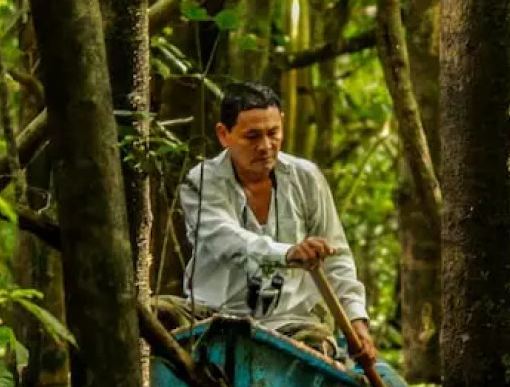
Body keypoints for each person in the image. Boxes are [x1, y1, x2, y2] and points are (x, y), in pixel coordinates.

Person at [155, 80, 378, 363]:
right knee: (154, 313)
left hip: (290, 322)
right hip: (210, 315)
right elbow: (226, 240)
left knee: (317, 346)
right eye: (252, 136)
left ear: (282, 125)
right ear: (224, 135)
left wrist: (358, 321)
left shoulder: (306, 177)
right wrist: (288, 253)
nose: (265, 146)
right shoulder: (200, 182)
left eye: (273, 133)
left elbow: (337, 258)